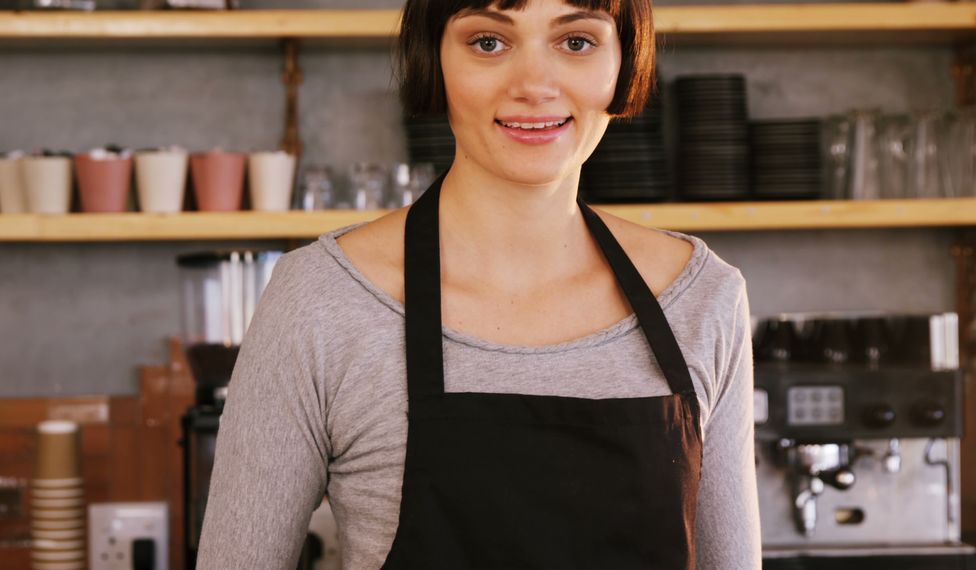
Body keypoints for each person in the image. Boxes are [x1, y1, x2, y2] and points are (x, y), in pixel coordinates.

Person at [196, 0, 761, 568]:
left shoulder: (704, 297)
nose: (535, 86)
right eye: (489, 42)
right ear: (432, 62)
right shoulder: (321, 298)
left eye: (577, 42)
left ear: (624, 64)